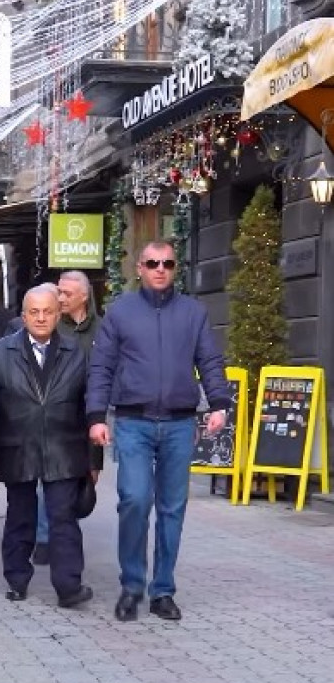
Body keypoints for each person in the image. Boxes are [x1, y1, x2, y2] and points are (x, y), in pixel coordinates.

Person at [87, 241, 230, 623]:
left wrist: (219, 403)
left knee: (172, 508)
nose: (160, 268)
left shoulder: (193, 312)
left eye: (167, 263)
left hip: (180, 423)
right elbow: (101, 366)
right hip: (133, 422)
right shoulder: (120, 312)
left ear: (174, 268)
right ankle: (132, 585)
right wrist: (96, 416)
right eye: (152, 263)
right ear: (140, 268)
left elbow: (210, 360)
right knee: (134, 499)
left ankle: (162, 590)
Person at [0, 285, 99, 607]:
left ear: (58, 314)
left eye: (47, 311)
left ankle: (68, 587)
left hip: (64, 447)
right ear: (23, 316)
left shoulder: (75, 351)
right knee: (19, 516)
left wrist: (94, 460)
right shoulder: (0, 352)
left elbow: (89, 407)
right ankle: (16, 580)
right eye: (34, 312)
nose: (40, 318)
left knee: (63, 518)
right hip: (17, 445)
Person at [35, 272, 102, 566]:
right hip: (52, 416)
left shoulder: (102, 330)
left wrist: (96, 460)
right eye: (58, 292)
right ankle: (44, 537)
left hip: (87, 417)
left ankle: (63, 534)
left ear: (84, 297)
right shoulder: (51, 327)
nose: (60, 298)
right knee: (48, 478)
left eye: (66, 294)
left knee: (78, 483)